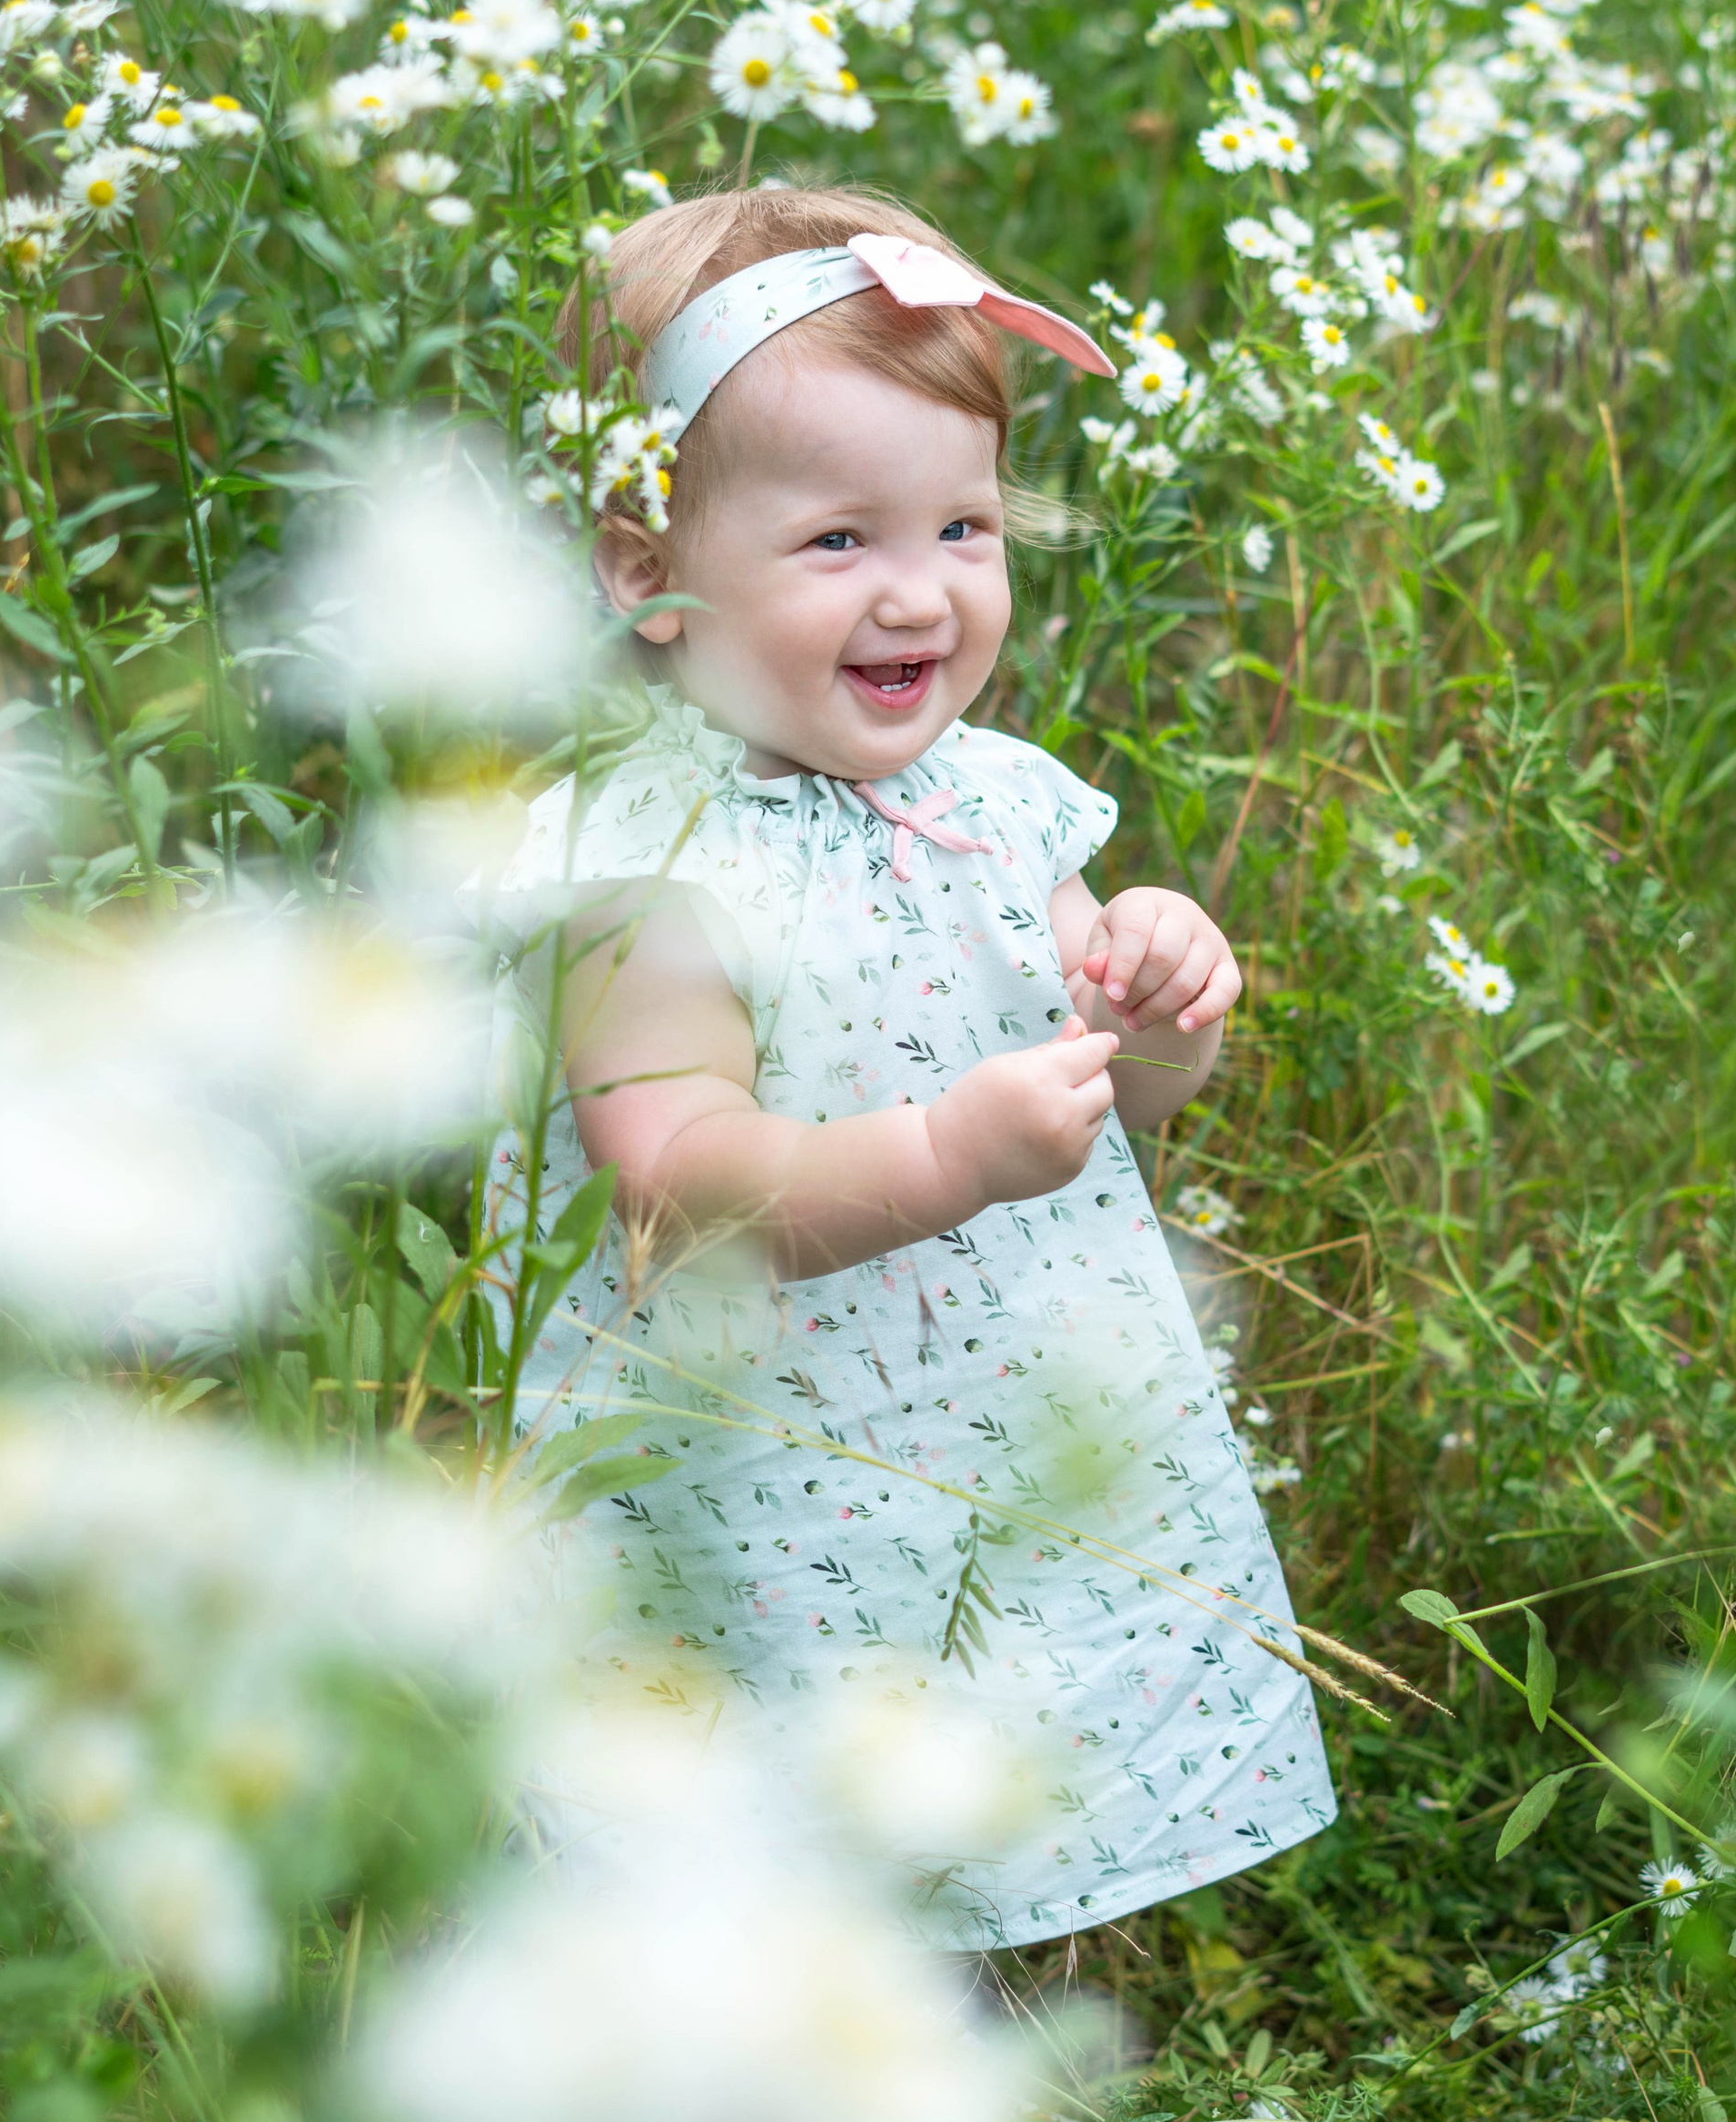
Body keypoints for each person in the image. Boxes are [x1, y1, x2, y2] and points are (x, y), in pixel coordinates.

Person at [490, 183, 1335, 1953]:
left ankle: (964, 1989)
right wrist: (947, 1149)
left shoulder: (998, 797)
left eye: (960, 524)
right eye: (834, 542)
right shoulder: (651, 857)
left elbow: (1105, 1110)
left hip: (978, 1432)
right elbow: (672, 1179)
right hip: (761, 1460)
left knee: (964, 1741)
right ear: (645, 570)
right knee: (750, 1811)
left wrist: (1156, 1014)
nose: (918, 593)